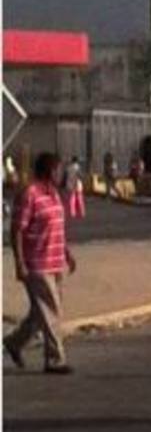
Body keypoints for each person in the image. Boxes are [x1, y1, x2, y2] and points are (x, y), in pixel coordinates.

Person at [4, 152, 76, 374]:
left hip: (54, 262)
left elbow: (56, 227)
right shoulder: (30, 194)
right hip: (37, 264)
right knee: (52, 310)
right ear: (50, 171)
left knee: (41, 312)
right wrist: (20, 263)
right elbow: (17, 230)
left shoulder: (53, 194)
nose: (61, 174)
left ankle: (14, 342)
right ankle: (55, 359)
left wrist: (66, 253)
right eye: (58, 170)